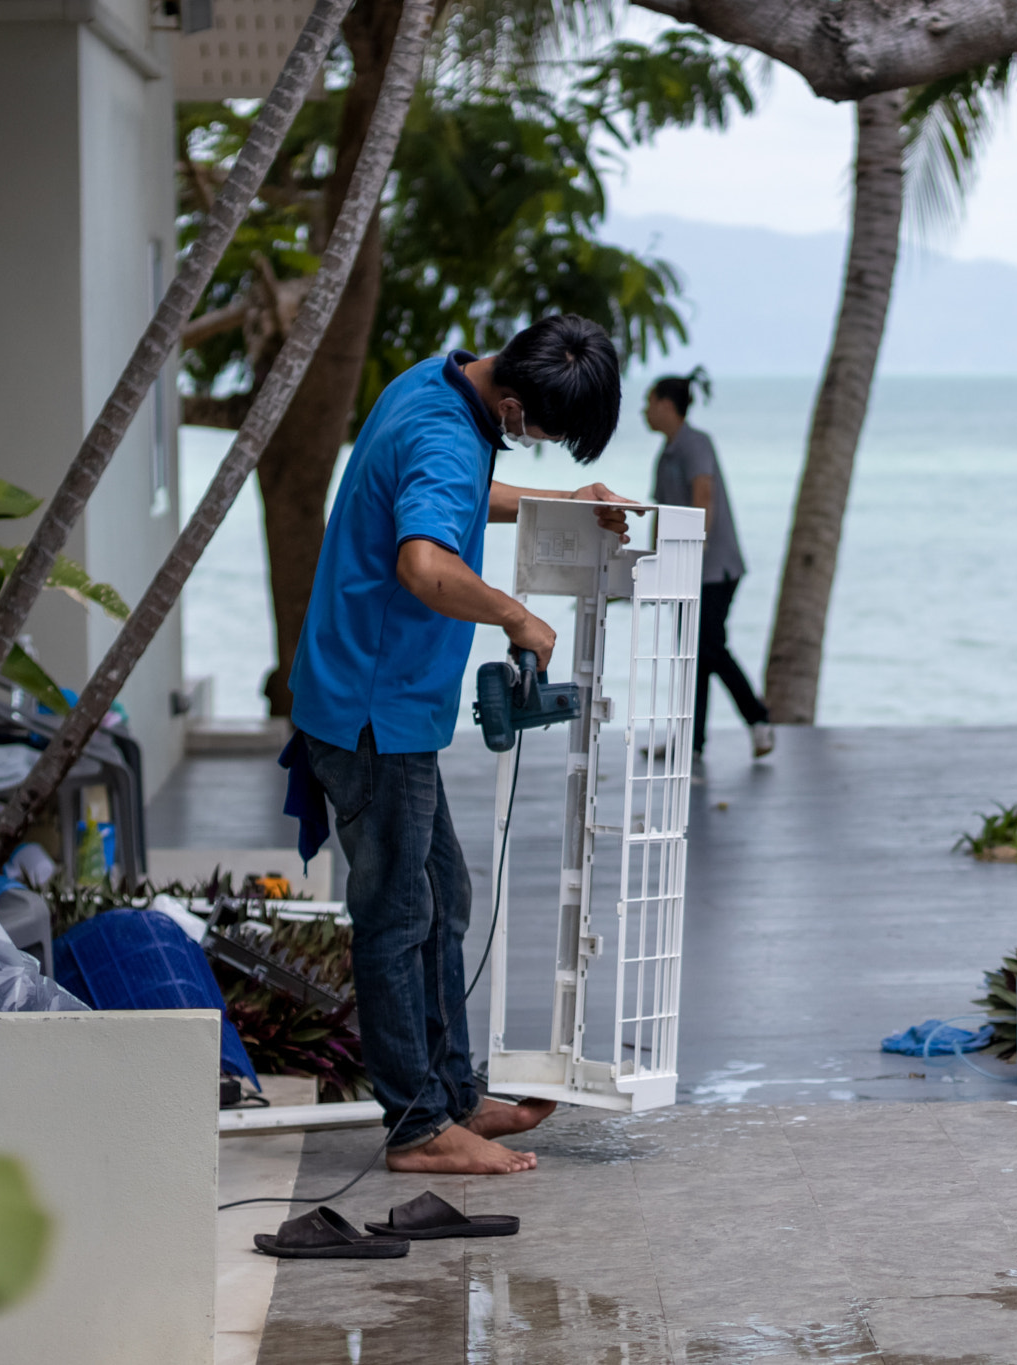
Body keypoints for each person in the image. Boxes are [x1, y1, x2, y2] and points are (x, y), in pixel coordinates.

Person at [279, 316, 633, 1176]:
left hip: (372, 699)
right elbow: (424, 563)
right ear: (514, 406)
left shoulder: (443, 381)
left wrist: (558, 505)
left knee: (445, 895)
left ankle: (451, 1093)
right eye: (543, 438)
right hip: (375, 713)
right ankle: (416, 1128)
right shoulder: (446, 432)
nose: (538, 449)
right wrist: (516, 613)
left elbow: (450, 491)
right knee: (400, 916)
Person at [644, 371, 774, 764]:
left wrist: (690, 555)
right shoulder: (666, 453)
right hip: (684, 570)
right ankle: (691, 744)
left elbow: (704, 499)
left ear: (667, 405)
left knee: (709, 649)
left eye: (648, 403)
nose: (644, 412)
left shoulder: (695, 445)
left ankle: (759, 719)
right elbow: (661, 514)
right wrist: (655, 564)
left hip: (714, 569)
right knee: (693, 655)